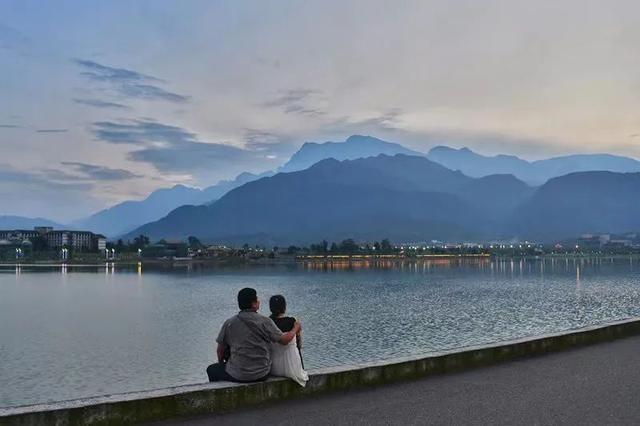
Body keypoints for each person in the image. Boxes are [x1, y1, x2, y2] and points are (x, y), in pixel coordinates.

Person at [207, 287, 301, 383]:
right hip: (262, 373)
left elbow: (220, 351)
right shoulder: (265, 321)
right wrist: (295, 329)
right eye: (257, 299)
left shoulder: (229, 323)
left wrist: (222, 364)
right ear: (254, 304)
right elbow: (284, 340)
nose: (259, 301)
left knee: (211, 369)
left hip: (238, 374)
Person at [269, 295, 309, 387]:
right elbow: (300, 344)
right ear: (284, 307)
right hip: (292, 369)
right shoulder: (292, 321)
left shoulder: (268, 322)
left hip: (273, 368)